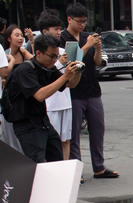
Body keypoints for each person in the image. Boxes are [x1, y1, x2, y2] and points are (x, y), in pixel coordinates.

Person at [60, 2, 118, 179]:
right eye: (79, 21)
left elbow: (97, 62)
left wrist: (98, 47)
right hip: (74, 91)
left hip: (93, 89)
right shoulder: (63, 38)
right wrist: (87, 46)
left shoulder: (87, 36)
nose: (82, 24)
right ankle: (77, 170)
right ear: (69, 19)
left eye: (85, 21)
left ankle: (98, 166)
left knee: (98, 128)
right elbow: (71, 60)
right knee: (74, 133)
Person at [5, 34, 82, 163]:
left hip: (42, 122)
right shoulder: (25, 70)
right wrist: (65, 76)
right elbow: (39, 95)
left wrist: (78, 71)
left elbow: (70, 84)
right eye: (52, 56)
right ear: (38, 53)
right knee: (37, 163)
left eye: (56, 56)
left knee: (56, 157)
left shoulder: (47, 68)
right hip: (26, 124)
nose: (55, 60)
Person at [38, 9, 73, 161]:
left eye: (60, 29)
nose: (59, 32)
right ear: (45, 31)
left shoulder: (65, 51)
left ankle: (66, 173)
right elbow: (46, 75)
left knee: (66, 140)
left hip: (66, 101)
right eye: (56, 29)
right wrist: (59, 62)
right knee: (51, 141)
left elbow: (69, 79)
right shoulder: (39, 53)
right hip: (51, 104)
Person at [2, 25, 32, 153]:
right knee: (9, 132)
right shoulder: (4, 54)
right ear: (9, 38)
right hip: (10, 98)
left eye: (21, 35)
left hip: (24, 96)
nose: (20, 38)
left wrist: (32, 41)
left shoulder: (23, 52)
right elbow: (3, 78)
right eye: (17, 35)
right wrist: (12, 61)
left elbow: (36, 62)